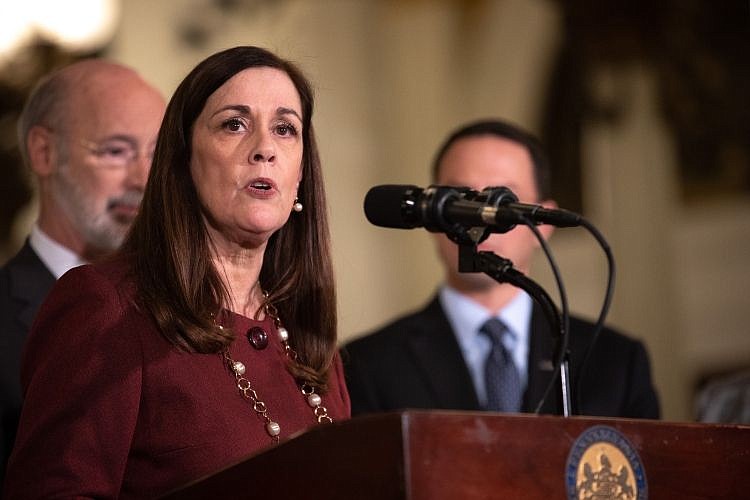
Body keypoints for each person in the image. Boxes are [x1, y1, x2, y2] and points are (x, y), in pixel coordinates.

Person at [3, 46, 350, 498]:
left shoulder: (309, 338)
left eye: (286, 129)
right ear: (183, 161)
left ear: (301, 174)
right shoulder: (110, 307)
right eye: (234, 124)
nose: (265, 148)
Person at [342, 119, 660, 419]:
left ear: (544, 222)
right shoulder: (365, 366)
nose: (481, 219)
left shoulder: (616, 361)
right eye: (460, 200)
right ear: (430, 217)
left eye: (502, 203)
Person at [0, 59, 165, 484]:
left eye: (156, 153)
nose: (144, 179)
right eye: (116, 151)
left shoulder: (184, 312)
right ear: (44, 152)